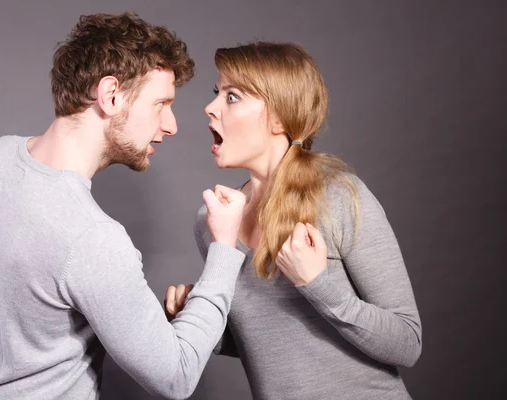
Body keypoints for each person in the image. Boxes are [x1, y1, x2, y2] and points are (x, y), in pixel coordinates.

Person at [0, 12, 249, 400]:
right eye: (160, 104)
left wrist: (15, 361)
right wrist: (223, 249)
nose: (170, 125)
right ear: (110, 95)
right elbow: (177, 375)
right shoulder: (93, 238)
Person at [165, 41, 422, 399]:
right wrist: (195, 315)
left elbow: (407, 342)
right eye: (216, 93)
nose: (210, 107)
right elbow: (273, 343)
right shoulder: (215, 223)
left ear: (279, 118)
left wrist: (316, 284)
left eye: (232, 96)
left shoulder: (338, 196)